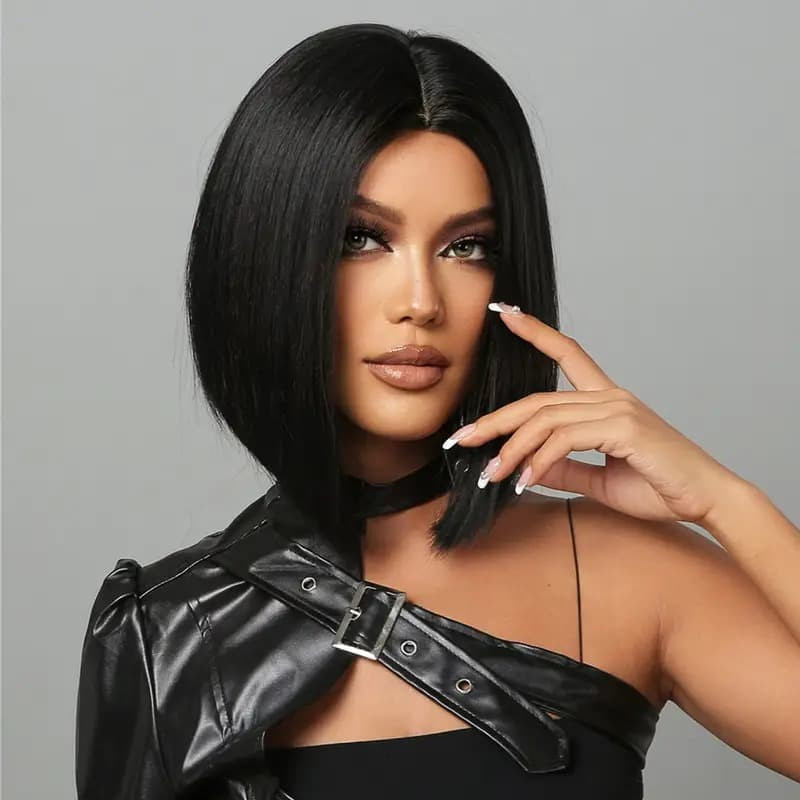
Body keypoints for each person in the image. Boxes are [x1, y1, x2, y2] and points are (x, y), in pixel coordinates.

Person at [75, 22, 800, 799]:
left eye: (466, 247)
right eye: (362, 238)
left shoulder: (632, 574)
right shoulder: (169, 632)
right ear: (269, 258)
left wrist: (726, 502)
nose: (421, 302)